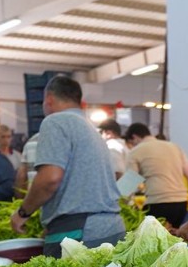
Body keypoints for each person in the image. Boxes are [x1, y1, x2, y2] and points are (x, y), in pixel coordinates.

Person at [9, 75, 124, 256]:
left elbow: (50, 179)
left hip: (80, 231)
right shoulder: (91, 130)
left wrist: (22, 213)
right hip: (110, 228)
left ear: (49, 99)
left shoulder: (55, 121)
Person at [125, 122, 188, 228]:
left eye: (131, 143)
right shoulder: (175, 147)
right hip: (181, 203)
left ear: (134, 137)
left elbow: (128, 185)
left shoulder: (136, 151)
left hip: (157, 203)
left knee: (153, 241)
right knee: (174, 239)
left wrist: (122, 205)